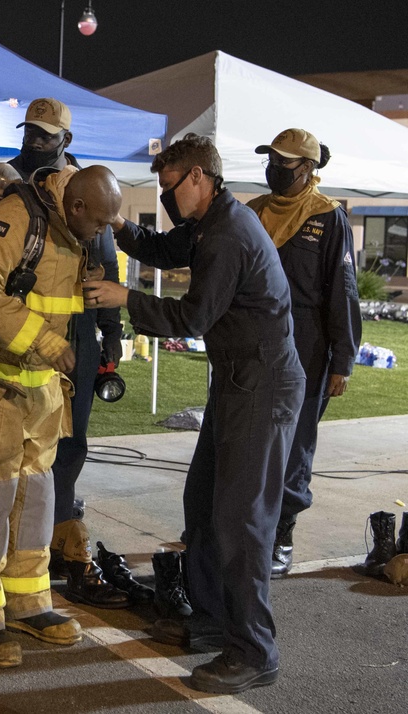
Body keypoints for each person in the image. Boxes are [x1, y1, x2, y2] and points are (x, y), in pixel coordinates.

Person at [83, 134, 305, 694]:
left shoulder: (228, 233)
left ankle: (255, 649)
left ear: (199, 178)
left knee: (242, 520)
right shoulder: (211, 222)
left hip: (263, 386)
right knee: (203, 502)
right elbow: (163, 249)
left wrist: (123, 298)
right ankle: (209, 620)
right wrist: (120, 228)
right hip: (239, 382)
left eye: (168, 188)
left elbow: (192, 316)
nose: (164, 198)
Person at [0, 165, 123, 669]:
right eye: (101, 223)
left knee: (35, 507)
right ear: (78, 206)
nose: (104, 233)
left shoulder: (70, 228)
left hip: (40, 397)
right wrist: (43, 341)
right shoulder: (17, 217)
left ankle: (27, 604)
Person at [9, 98, 129, 608]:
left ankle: (57, 533)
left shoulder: (89, 194)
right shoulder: (10, 189)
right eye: (30, 132)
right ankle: (22, 539)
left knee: (69, 440)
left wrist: (110, 334)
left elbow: (105, 270)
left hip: (74, 340)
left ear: (65, 141)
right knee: (15, 443)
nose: (35, 141)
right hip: (20, 337)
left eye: (45, 134)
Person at [247, 129, 362, 577]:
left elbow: (343, 294)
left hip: (308, 349)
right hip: (254, 344)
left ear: (309, 169)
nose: (275, 169)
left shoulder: (328, 216)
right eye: (271, 161)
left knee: (295, 444)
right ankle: (247, 525)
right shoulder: (255, 211)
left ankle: (282, 533)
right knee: (250, 438)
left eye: (284, 163)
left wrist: (343, 361)